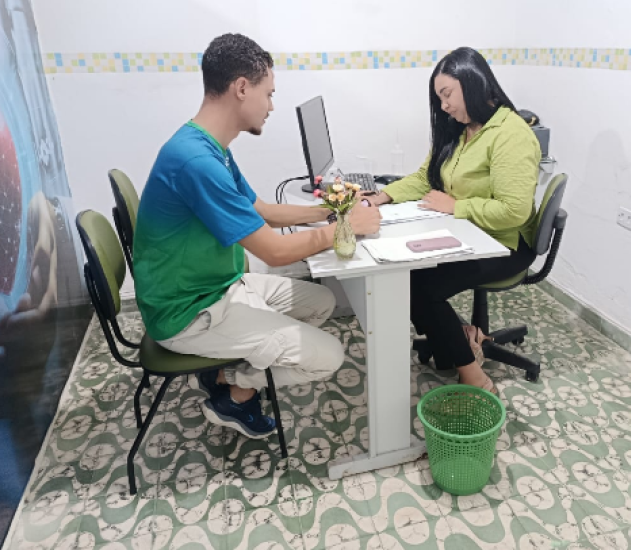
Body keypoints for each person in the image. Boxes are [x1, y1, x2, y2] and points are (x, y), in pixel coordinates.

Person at [133, 34, 381, 439]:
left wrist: (333, 211)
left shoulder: (210, 147)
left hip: (217, 286)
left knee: (321, 302)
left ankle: (231, 375)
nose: (271, 106)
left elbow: (261, 210)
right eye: (269, 94)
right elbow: (276, 251)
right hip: (188, 313)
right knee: (329, 356)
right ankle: (233, 387)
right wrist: (346, 228)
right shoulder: (196, 162)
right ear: (242, 88)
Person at [363, 47, 541, 394]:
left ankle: (473, 374)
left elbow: (514, 210)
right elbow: (426, 178)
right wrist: (380, 197)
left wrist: (456, 206)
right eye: (439, 98)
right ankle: (462, 337)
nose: (443, 106)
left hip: (505, 244)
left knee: (419, 287)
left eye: (447, 94)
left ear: (473, 83)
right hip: (469, 233)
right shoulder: (460, 129)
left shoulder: (511, 134)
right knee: (407, 276)